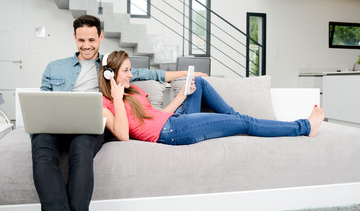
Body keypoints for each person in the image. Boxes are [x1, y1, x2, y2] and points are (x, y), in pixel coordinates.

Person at [32, 15, 207, 211]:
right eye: (81, 40)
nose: (86, 45)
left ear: (101, 37)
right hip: (56, 124)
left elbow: (151, 74)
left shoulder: (109, 67)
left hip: (92, 123)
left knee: (81, 150)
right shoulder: (54, 67)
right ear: (74, 37)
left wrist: (186, 74)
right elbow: (43, 102)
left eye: (92, 40)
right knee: (41, 151)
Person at [100, 50, 325, 146]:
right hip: (172, 132)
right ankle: (305, 127)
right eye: (127, 71)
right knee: (245, 122)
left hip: (172, 121)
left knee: (199, 84)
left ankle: (234, 118)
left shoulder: (134, 91)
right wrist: (117, 98)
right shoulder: (106, 103)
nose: (132, 75)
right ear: (110, 74)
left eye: (131, 70)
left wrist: (181, 95)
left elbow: (159, 115)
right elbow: (122, 135)